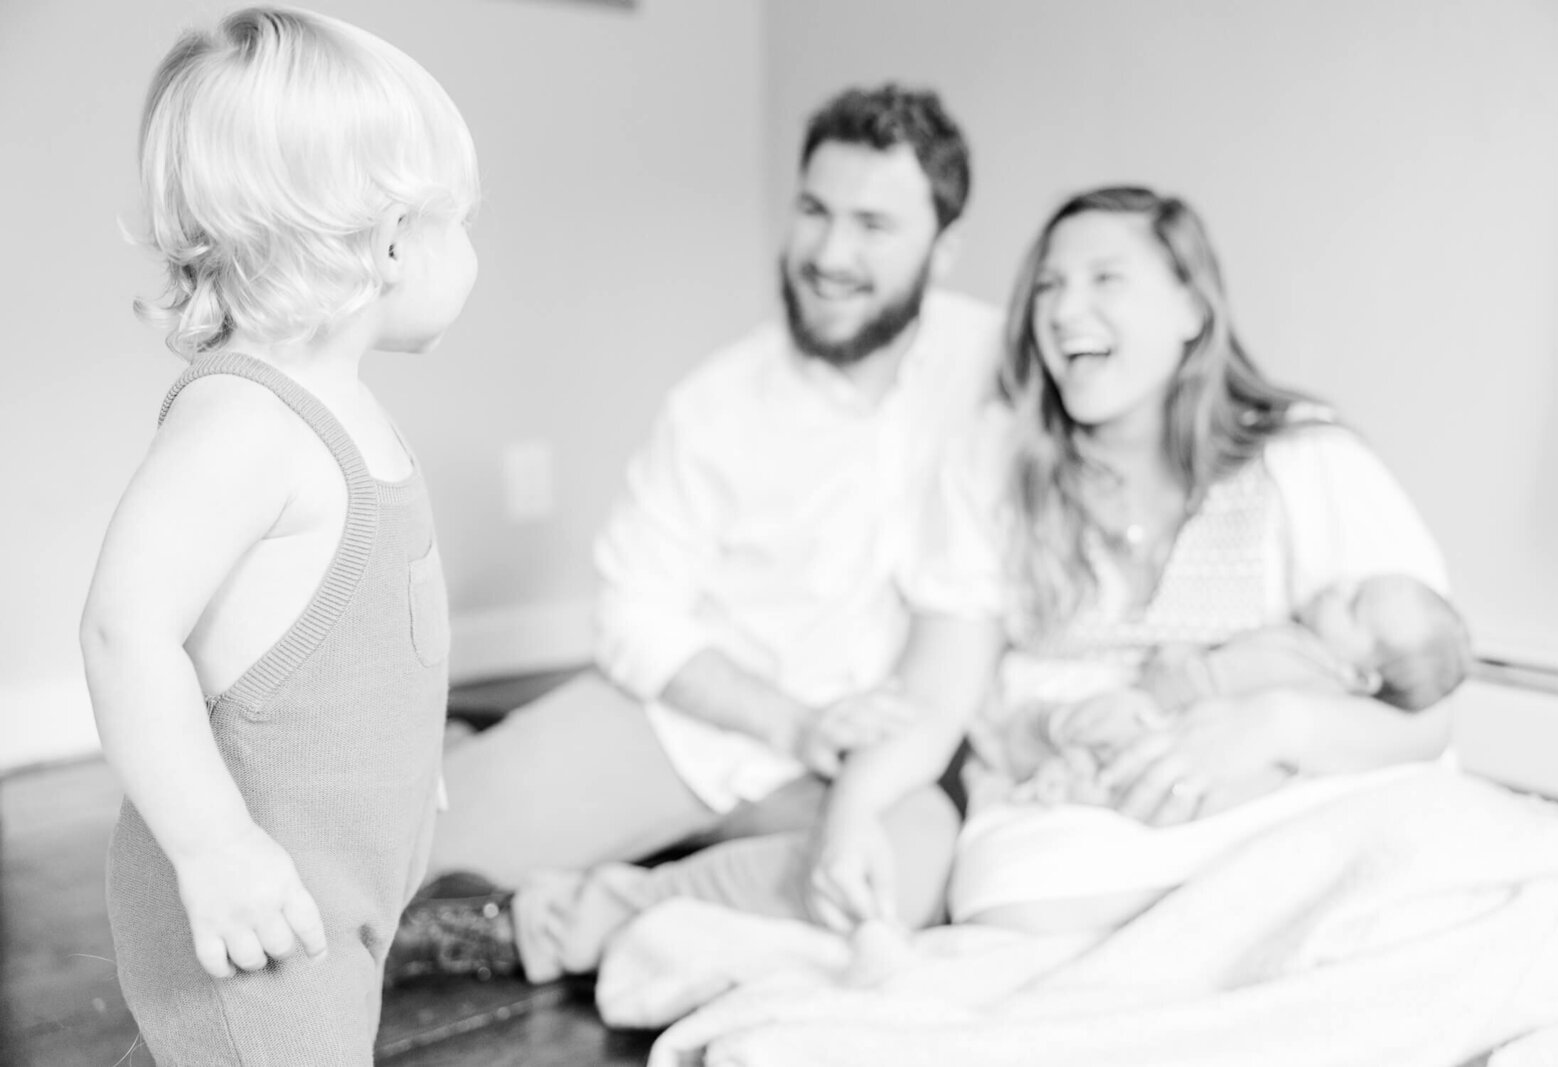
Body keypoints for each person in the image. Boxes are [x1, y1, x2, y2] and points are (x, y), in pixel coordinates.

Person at [387, 84, 1001, 984]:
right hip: (683, 726)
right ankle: (478, 757)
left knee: (904, 879)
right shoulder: (715, 405)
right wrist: (790, 718)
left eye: (874, 224)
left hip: (853, 776)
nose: (830, 253)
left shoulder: (997, 365)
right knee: (394, 861)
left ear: (944, 246)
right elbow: (634, 619)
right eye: (815, 211)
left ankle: (552, 921)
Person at [805, 184, 1460, 945]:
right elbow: (935, 696)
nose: (1062, 308)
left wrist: (1274, 725)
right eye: (1048, 284)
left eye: (1104, 278)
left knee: (1409, 838)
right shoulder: (992, 464)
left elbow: (1429, 718)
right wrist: (849, 815)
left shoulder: (1308, 457)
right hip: (1076, 818)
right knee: (1014, 900)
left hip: (1269, 798)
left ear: (1192, 308)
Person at [81, 9, 479, 1064]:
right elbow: (127, 631)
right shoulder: (245, 424)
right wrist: (214, 847)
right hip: (258, 909)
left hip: (339, 892)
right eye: (462, 222)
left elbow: (369, 646)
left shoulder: (349, 409)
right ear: (394, 240)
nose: (471, 250)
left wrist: (408, 763)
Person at [1009, 572, 1472, 805]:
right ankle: (1075, 776)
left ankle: (1048, 752)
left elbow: (1207, 680)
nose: (1337, 587)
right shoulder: (1323, 675)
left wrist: (1160, 678)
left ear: (1361, 676)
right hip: (1199, 749)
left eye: (1352, 604)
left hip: (1167, 722)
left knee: (1089, 721)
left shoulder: (1293, 657)